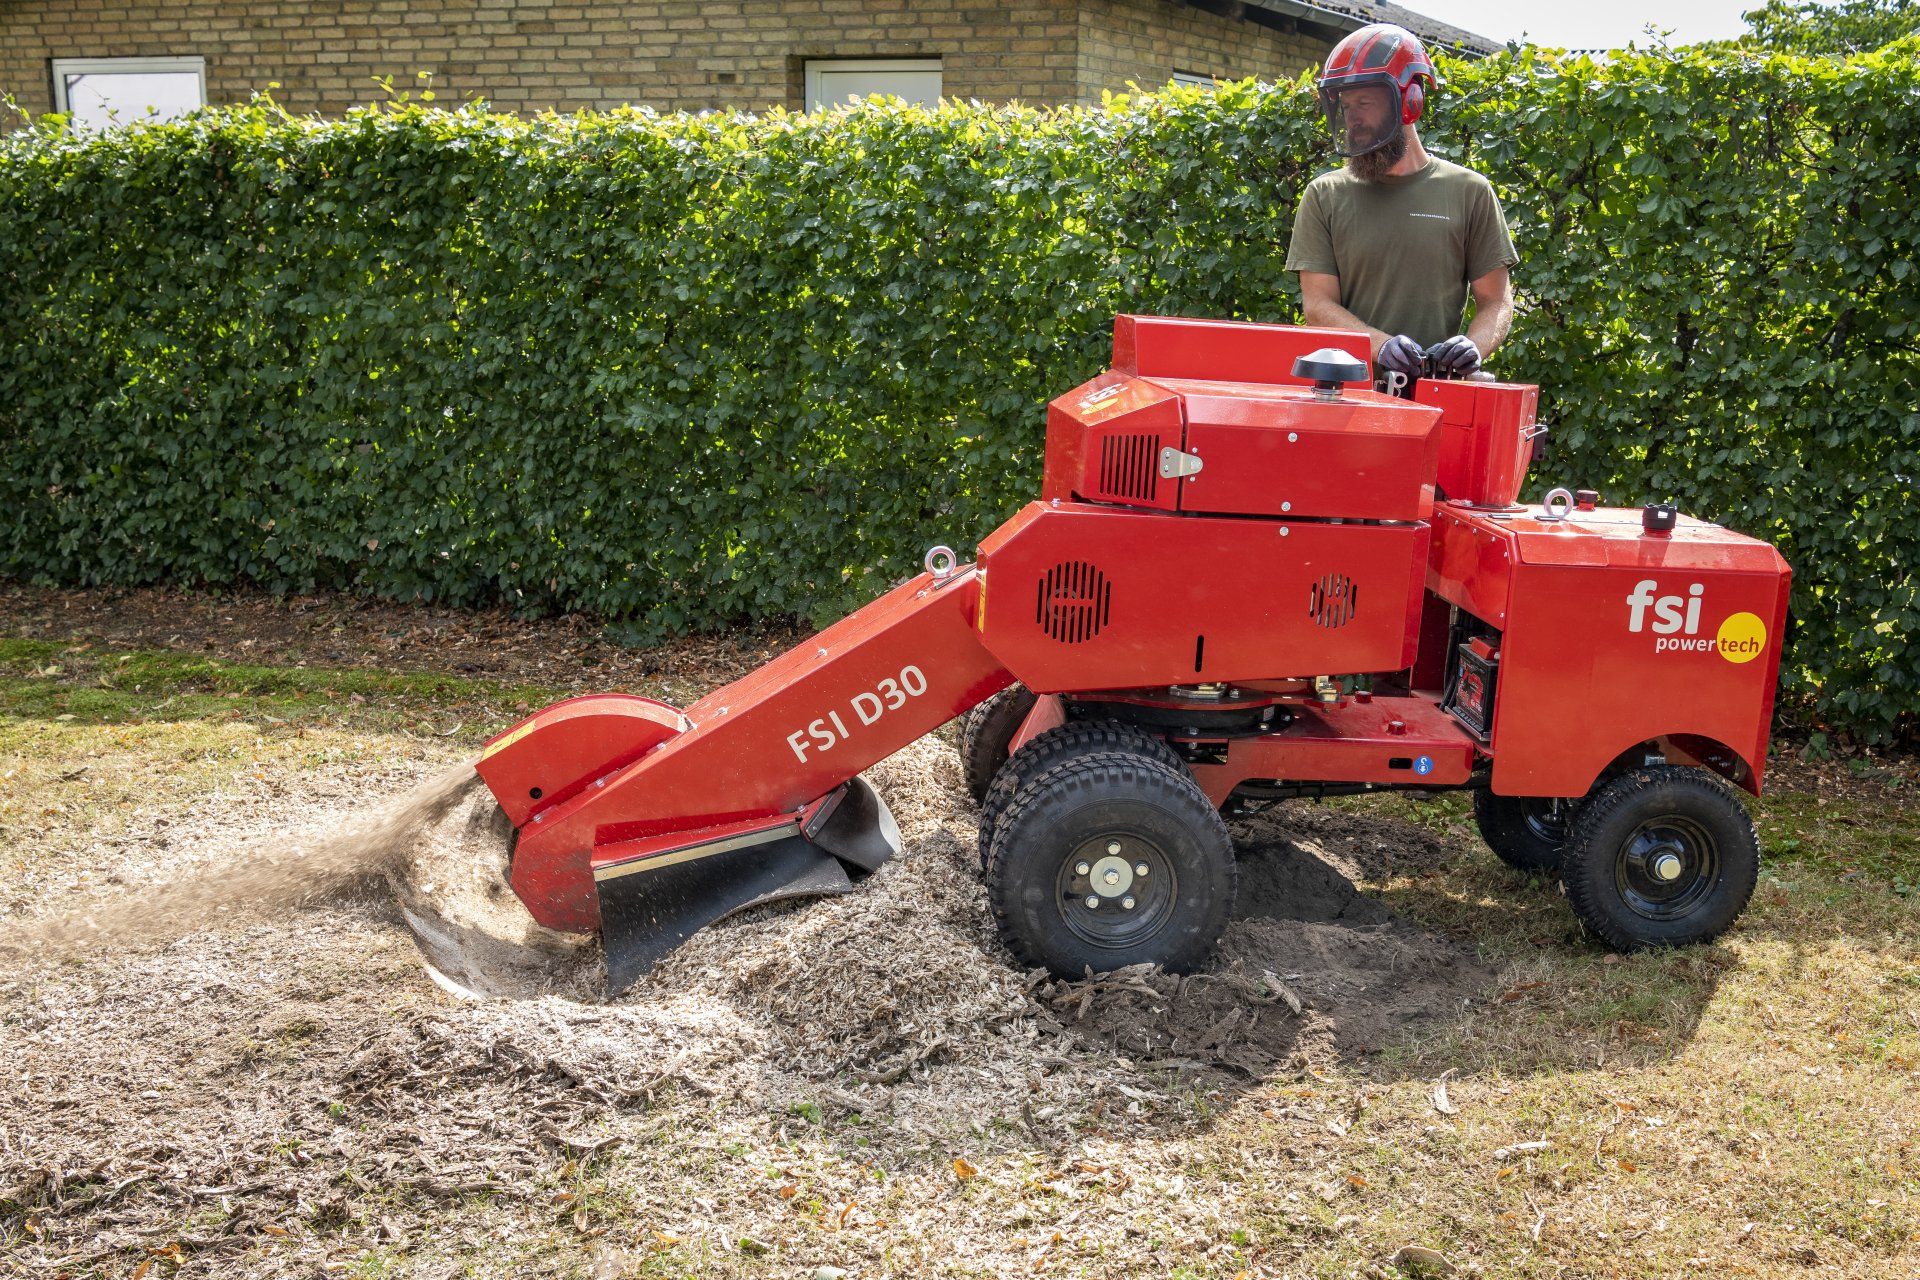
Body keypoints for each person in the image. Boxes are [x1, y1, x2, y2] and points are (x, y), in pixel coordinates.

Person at [1284, 23, 1518, 391]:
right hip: (1347, 396)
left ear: (1410, 102)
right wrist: (1382, 346)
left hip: (1436, 395)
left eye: (1364, 103)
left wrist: (1473, 346)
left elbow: (1496, 301)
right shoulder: (1325, 195)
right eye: (1346, 105)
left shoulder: (1470, 192)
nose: (1352, 118)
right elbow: (1318, 304)